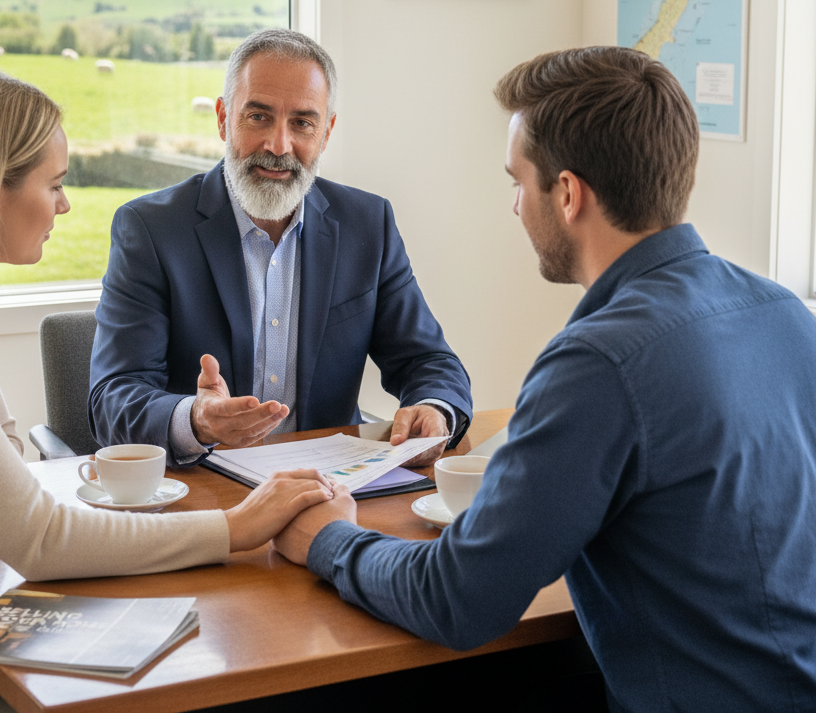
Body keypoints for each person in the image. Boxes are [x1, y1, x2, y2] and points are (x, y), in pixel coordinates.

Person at [273, 47, 816, 712]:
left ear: (566, 194)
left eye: (517, 181)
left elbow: (459, 600)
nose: (513, 206)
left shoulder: (600, 362)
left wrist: (329, 540)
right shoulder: (784, 313)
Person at [0, 67, 334, 713]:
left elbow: (2, 443)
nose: (65, 205)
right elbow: (41, 541)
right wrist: (237, 527)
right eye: (54, 184)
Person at [89, 29, 473, 466]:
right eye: (258, 117)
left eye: (302, 123)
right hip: (205, 488)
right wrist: (197, 420)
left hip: (329, 485)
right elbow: (112, 398)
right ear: (222, 118)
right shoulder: (151, 229)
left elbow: (429, 360)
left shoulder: (367, 224)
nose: (278, 146)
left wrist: (435, 408)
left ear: (326, 132)